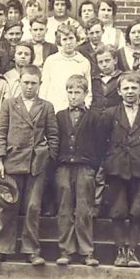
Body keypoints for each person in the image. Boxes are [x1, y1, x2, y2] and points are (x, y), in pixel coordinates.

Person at [0, 64, 59, 266]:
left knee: (33, 208)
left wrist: (47, 159)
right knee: (7, 207)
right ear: (19, 82)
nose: (29, 87)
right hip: (12, 162)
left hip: (37, 165)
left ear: (40, 84)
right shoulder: (9, 104)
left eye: (33, 83)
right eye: (25, 82)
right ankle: (2, 249)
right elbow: (0, 134)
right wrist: (0, 160)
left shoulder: (46, 106)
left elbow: (53, 136)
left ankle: (31, 250)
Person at [100, 71, 140, 267]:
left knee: (138, 210)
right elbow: (102, 141)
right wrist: (107, 163)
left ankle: (133, 251)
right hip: (117, 167)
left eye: (134, 88)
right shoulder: (110, 113)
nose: (130, 92)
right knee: (118, 210)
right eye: (126, 88)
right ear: (119, 91)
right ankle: (120, 251)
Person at [55, 75, 100, 267]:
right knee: (65, 209)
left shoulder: (94, 117)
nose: (73, 96)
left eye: (77, 92)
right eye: (70, 92)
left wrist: (94, 167)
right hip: (64, 167)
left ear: (86, 94)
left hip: (85, 167)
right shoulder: (59, 116)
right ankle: (66, 250)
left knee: (84, 209)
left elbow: (99, 145)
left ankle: (86, 251)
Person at [40, 24, 91, 113]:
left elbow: (88, 89)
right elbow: (44, 88)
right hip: (54, 108)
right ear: (59, 42)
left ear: (76, 39)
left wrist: (85, 106)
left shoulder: (83, 62)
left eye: (71, 38)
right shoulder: (51, 61)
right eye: (64, 39)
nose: (68, 42)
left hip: (76, 110)